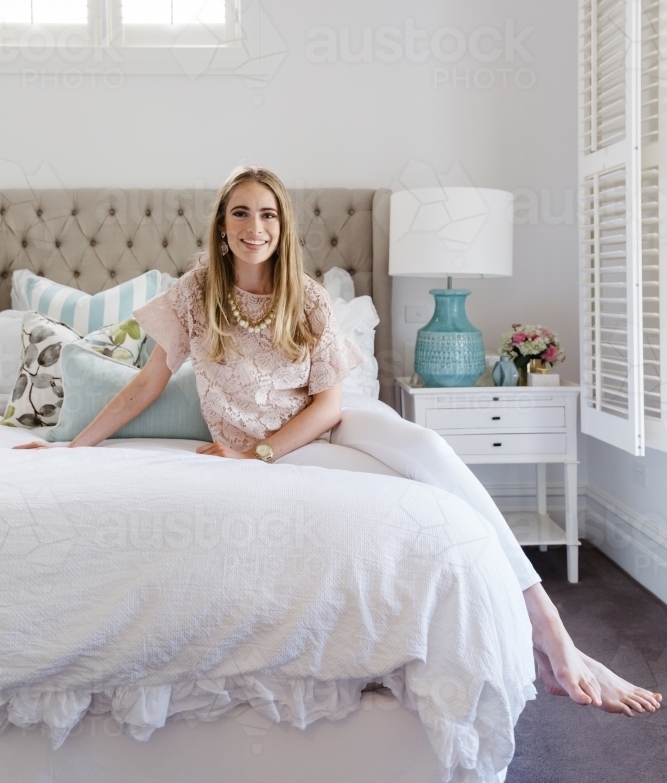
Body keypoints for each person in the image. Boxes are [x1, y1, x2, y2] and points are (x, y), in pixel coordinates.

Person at [16, 165, 662, 718]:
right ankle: (552, 649)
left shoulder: (310, 297)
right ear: (221, 226)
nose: (254, 226)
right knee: (408, 481)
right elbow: (148, 382)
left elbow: (328, 404)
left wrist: (259, 454)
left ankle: (554, 639)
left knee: (430, 458)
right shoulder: (193, 296)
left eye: (267, 214)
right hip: (267, 444)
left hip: (318, 426)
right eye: (239, 213)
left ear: (282, 225)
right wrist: (75, 449)